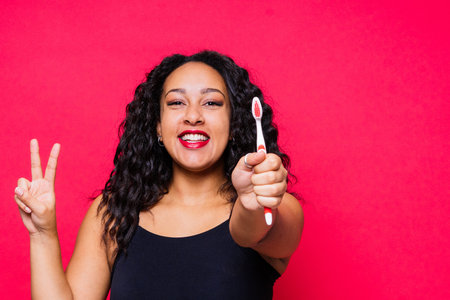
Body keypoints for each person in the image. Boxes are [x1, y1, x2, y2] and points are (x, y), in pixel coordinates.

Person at [14, 50, 304, 299]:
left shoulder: (274, 204)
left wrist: (252, 201)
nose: (193, 115)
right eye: (176, 102)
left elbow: (252, 229)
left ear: (234, 121)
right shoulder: (114, 212)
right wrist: (42, 234)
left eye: (211, 103)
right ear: (157, 126)